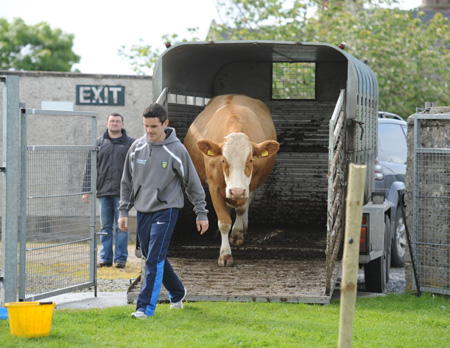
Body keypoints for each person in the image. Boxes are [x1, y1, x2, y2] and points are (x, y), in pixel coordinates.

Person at [118, 103, 208, 319]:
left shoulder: (177, 150)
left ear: (165, 124)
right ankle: (178, 292)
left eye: (154, 127)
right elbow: (126, 183)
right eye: (146, 126)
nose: (149, 131)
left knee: (154, 258)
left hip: (166, 210)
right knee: (152, 256)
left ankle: (144, 308)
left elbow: (192, 183)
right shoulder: (136, 148)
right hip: (143, 210)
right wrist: (123, 211)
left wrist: (201, 212)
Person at [82, 112, 135, 269]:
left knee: (122, 226)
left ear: (122, 124)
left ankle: (120, 259)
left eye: (118, 121)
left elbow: (137, 168)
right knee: (105, 227)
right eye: (112, 121)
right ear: (107, 124)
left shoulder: (131, 144)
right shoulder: (98, 144)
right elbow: (89, 168)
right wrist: (86, 190)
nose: (114, 124)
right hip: (103, 192)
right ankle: (105, 259)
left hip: (123, 193)